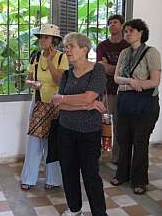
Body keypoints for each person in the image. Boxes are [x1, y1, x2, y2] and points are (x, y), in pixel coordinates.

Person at [52, 32, 107, 216]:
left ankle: (99, 213)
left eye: (71, 46)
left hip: (89, 132)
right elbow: (57, 104)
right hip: (66, 129)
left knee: (91, 174)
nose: (66, 49)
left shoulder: (97, 70)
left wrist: (70, 100)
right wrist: (88, 105)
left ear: (84, 49)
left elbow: (88, 96)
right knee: (68, 172)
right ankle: (75, 209)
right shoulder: (67, 74)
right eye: (66, 46)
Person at [110, 19, 161, 195]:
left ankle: (139, 180)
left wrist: (132, 84)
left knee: (140, 143)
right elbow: (116, 78)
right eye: (126, 31)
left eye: (131, 30)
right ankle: (122, 174)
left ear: (141, 32)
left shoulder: (151, 52)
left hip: (145, 105)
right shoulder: (124, 53)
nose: (127, 33)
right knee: (124, 141)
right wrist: (132, 82)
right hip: (125, 102)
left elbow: (154, 82)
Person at [20, 24, 69, 191]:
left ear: (54, 40)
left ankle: (53, 179)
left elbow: (59, 81)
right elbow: (28, 79)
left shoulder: (62, 57)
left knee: (52, 143)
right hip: (39, 103)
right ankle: (28, 178)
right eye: (41, 37)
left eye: (46, 37)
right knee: (34, 141)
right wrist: (32, 83)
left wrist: (49, 62)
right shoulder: (35, 56)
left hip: (56, 105)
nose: (42, 40)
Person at [96, 14, 130, 164]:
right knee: (102, 124)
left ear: (122, 25)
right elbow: (101, 68)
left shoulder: (127, 46)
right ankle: (96, 154)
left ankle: (117, 157)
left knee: (120, 126)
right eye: (109, 23)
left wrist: (109, 67)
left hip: (124, 92)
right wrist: (116, 68)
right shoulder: (102, 46)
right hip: (106, 91)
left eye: (115, 22)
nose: (112, 25)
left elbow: (127, 71)